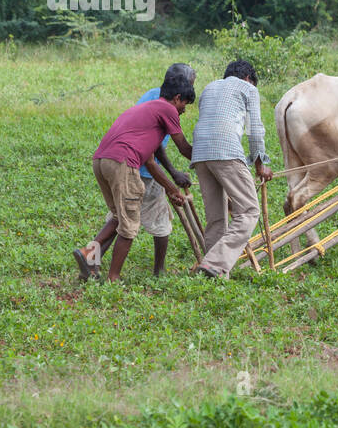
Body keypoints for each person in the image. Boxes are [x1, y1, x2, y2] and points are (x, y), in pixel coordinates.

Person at [75, 74, 194, 282]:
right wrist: (210, 156)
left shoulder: (145, 113)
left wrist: (172, 190)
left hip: (102, 161)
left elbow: (150, 163)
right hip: (122, 163)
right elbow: (183, 147)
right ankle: (113, 277)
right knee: (129, 224)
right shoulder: (167, 109)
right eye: (184, 104)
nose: (183, 111)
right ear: (177, 98)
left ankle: (89, 256)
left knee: (118, 216)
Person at [190, 60, 274, 278]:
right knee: (249, 211)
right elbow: (254, 130)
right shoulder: (248, 89)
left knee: (216, 217)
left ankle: (215, 272)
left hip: (200, 154)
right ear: (248, 78)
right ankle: (215, 263)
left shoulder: (209, 87)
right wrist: (260, 164)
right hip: (225, 149)